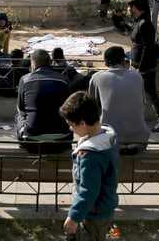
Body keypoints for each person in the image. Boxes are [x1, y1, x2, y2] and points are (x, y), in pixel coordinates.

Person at [59, 91, 118, 241]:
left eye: (71, 125)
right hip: (102, 207)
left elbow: (89, 190)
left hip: (93, 213)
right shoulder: (107, 137)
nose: (71, 129)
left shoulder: (90, 154)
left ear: (83, 123)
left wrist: (74, 216)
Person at [88, 46, 150, 154]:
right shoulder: (137, 77)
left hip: (109, 143)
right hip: (139, 142)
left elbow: (91, 109)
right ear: (123, 61)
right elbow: (143, 104)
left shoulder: (97, 77)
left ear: (106, 64)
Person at [127, 0, 159, 133]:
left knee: (151, 95)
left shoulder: (145, 24)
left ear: (133, 7)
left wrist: (142, 67)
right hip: (138, 66)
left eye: (129, 7)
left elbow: (148, 47)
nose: (128, 10)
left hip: (145, 68)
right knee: (140, 96)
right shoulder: (138, 22)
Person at [15, 49, 72, 153]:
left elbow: (21, 109)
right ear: (50, 62)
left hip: (32, 140)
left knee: (19, 117)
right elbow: (70, 109)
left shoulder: (25, 79)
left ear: (34, 63)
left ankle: (22, 144)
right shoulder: (64, 79)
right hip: (62, 139)